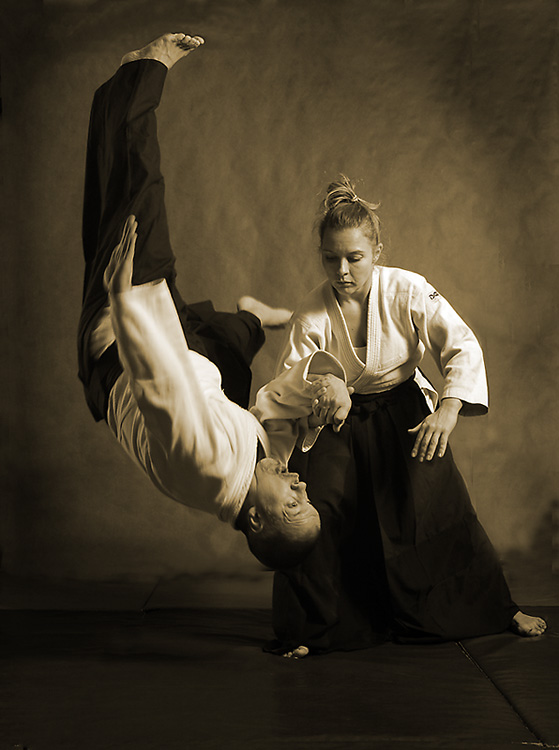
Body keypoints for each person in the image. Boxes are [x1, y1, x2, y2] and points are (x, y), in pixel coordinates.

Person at [253, 175, 547, 655]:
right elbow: (289, 384)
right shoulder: (311, 313)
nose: (342, 270)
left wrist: (448, 411)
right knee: (321, 509)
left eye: (355, 257)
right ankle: (309, 628)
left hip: (403, 409)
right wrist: (325, 386)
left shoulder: (408, 289)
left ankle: (495, 607)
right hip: (338, 423)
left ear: (377, 251)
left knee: (438, 503)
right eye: (331, 258)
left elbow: (460, 345)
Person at [76, 32, 321, 570]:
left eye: (294, 500)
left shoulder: (207, 463)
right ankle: (253, 317)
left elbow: (157, 379)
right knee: (231, 354)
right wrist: (319, 396)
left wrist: (124, 298)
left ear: (255, 519)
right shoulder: (252, 473)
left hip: (125, 342)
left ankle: (142, 73)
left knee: (136, 196)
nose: (300, 484)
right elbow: (270, 413)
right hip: (189, 356)